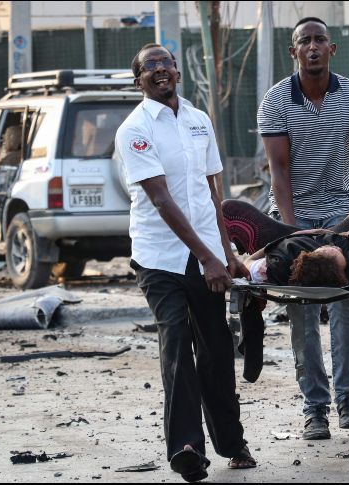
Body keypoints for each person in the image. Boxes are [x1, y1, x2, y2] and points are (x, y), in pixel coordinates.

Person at [115, 43, 255, 482]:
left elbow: (210, 193)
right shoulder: (135, 129)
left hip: (208, 256)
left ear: (177, 70)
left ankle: (232, 444)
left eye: (165, 63)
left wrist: (227, 254)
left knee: (216, 351)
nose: (160, 70)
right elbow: (161, 199)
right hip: (159, 259)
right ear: (138, 80)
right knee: (176, 341)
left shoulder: (198, 121)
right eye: (149, 66)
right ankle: (186, 448)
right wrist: (206, 257)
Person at [256, 16, 349, 440]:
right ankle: (315, 408)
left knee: (345, 298)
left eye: (319, 40)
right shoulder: (275, 101)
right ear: (294, 52)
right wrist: (292, 233)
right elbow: (280, 171)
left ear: (332, 49)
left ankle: (348, 399)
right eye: (304, 41)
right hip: (292, 211)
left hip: (342, 211)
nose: (312, 47)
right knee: (303, 304)